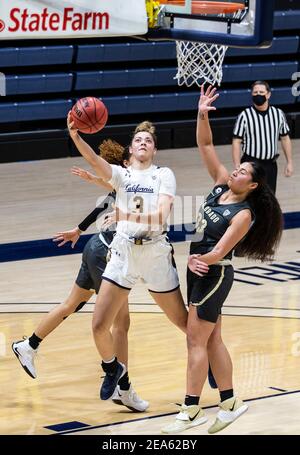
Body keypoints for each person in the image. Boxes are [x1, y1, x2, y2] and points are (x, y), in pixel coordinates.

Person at [162, 85, 283, 435]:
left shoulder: (243, 213)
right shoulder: (219, 185)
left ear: (254, 185)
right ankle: (230, 403)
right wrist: (202, 112)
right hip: (201, 271)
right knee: (212, 340)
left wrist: (198, 261)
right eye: (239, 167)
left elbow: (220, 251)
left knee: (195, 341)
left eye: (244, 171)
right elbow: (204, 145)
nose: (236, 171)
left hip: (214, 274)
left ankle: (191, 409)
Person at [67, 113, 210, 402]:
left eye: (148, 141)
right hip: (124, 253)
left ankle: (212, 363)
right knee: (98, 326)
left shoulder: (163, 174)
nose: (143, 143)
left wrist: (123, 214)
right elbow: (95, 160)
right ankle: (112, 367)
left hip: (155, 252)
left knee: (185, 324)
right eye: (138, 140)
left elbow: (160, 216)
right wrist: (76, 136)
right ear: (130, 150)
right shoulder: (122, 175)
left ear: (154, 150)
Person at [12, 140, 149, 413]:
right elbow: (115, 201)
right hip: (107, 254)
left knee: (71, 304)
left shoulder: (132, 181)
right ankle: (124, 388)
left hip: (95, 247)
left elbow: (108, 200)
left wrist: (80, 227)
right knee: (121, 324)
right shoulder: (137, 182)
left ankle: (28, 345)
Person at [232, 80, 293, 194]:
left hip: (270, 165)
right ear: (251, 95)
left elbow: (285, 138)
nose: (258, 95)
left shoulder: (278, 114)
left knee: (269, 197)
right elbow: (236, 141)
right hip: (251, 164)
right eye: (255, 92)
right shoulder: (245, 115)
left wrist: (289, 162)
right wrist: (237, 166)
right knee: (250, 197)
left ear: (268, 94)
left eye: (261, 92)